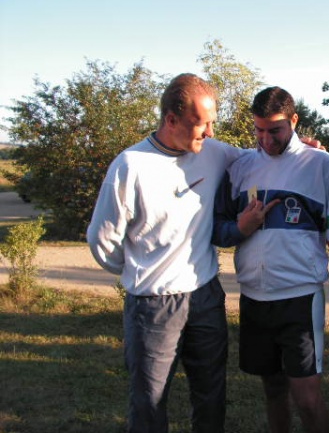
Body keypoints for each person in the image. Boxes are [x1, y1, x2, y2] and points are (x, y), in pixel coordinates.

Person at [87, 73, 251, 432]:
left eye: (212, 122)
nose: (210, 132)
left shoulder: (214, 152)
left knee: (211, 395)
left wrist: (303, 150)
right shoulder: (131, 165)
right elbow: (102, 240)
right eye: (201, 123)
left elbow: (260, 160)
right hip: (152, 305)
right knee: (149, 401)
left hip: (205, 295)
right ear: (171, 119)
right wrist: (141, 269)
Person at [212, 86, 329, 433]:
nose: (266, 140)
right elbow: (218, 228)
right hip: (254, 297)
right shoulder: (241, 166)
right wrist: (240, 227)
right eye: (259, 130)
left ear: (294, 120)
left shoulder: (319, 164)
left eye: (275, 130)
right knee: (273, 389)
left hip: (300, 298)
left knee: (307, 398)